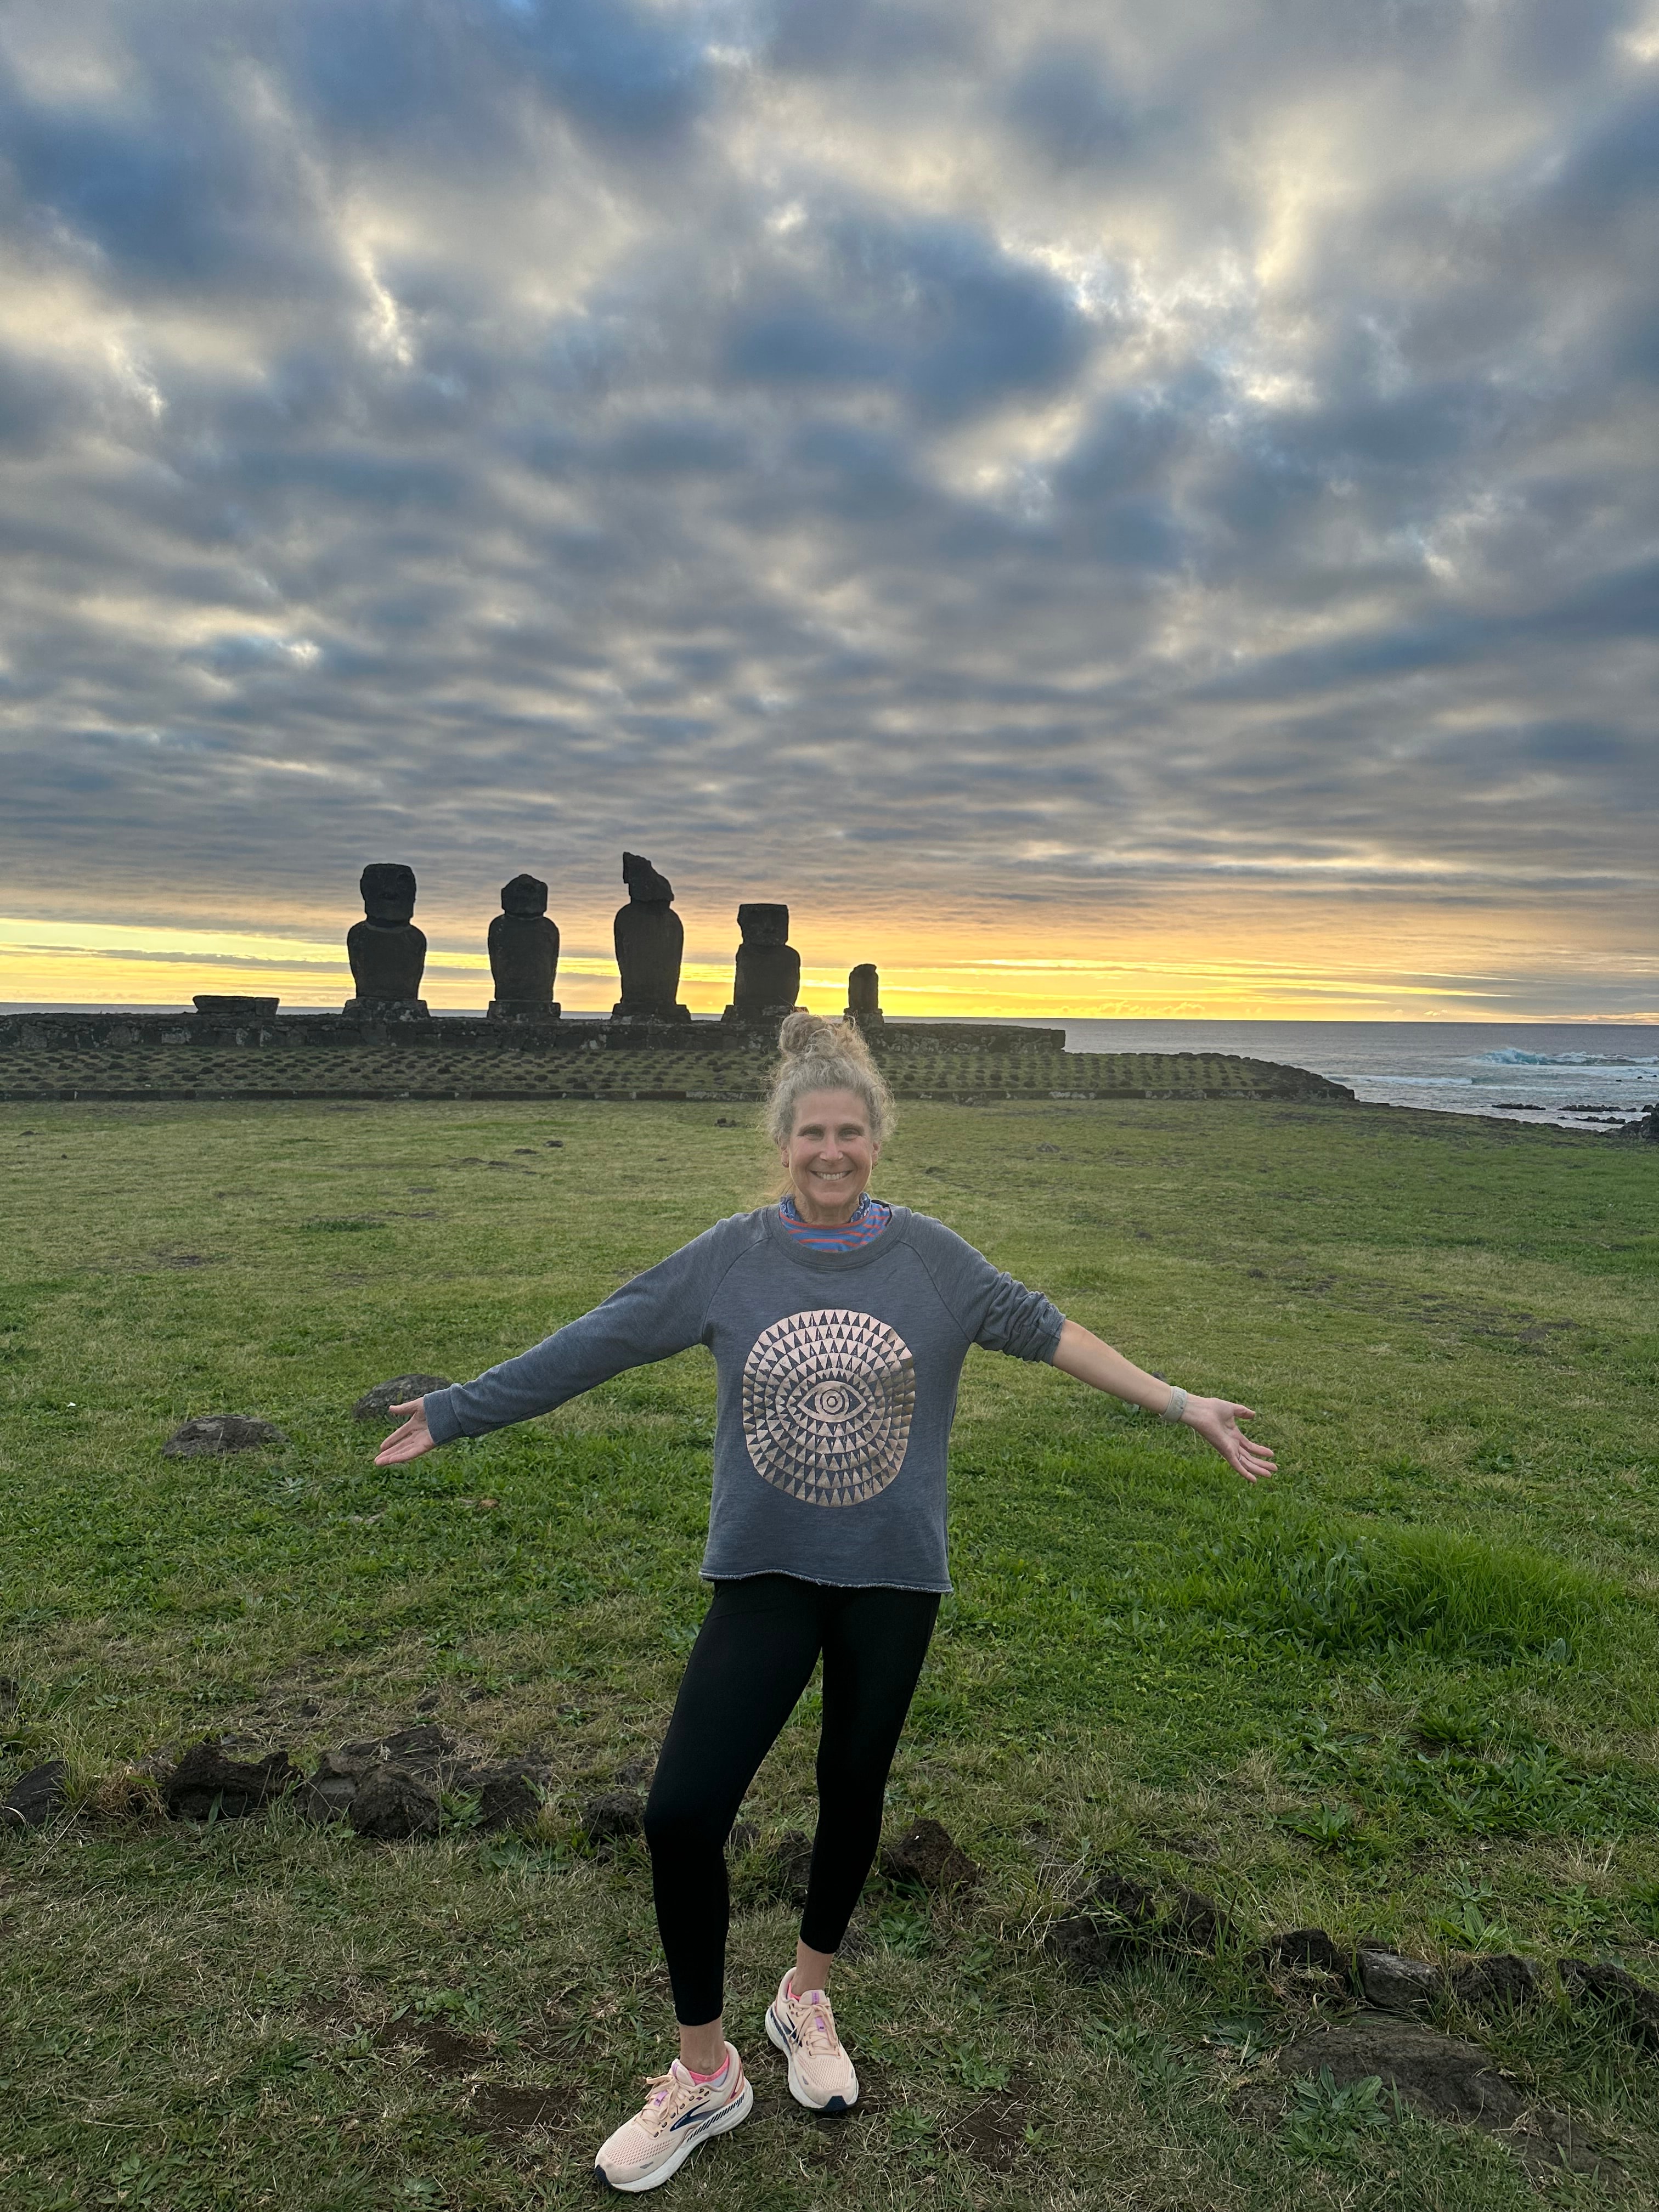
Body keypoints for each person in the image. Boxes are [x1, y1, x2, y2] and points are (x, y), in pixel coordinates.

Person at [375, 1013, 1274, 2193]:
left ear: (878, 1142)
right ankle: (707, 2075)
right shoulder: (732, 1255)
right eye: (813, 1134)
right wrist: (458, 1408)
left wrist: (1179, 1401)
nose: (832, 1152)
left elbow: (1045, 1327)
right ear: (782, 1142)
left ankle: (808, 1996)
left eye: (852, 1133)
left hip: (894, 1578)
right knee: (682, 1813)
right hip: (766, 1574)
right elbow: (602, 1337)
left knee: (852, 1789)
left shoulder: (934, 1259)